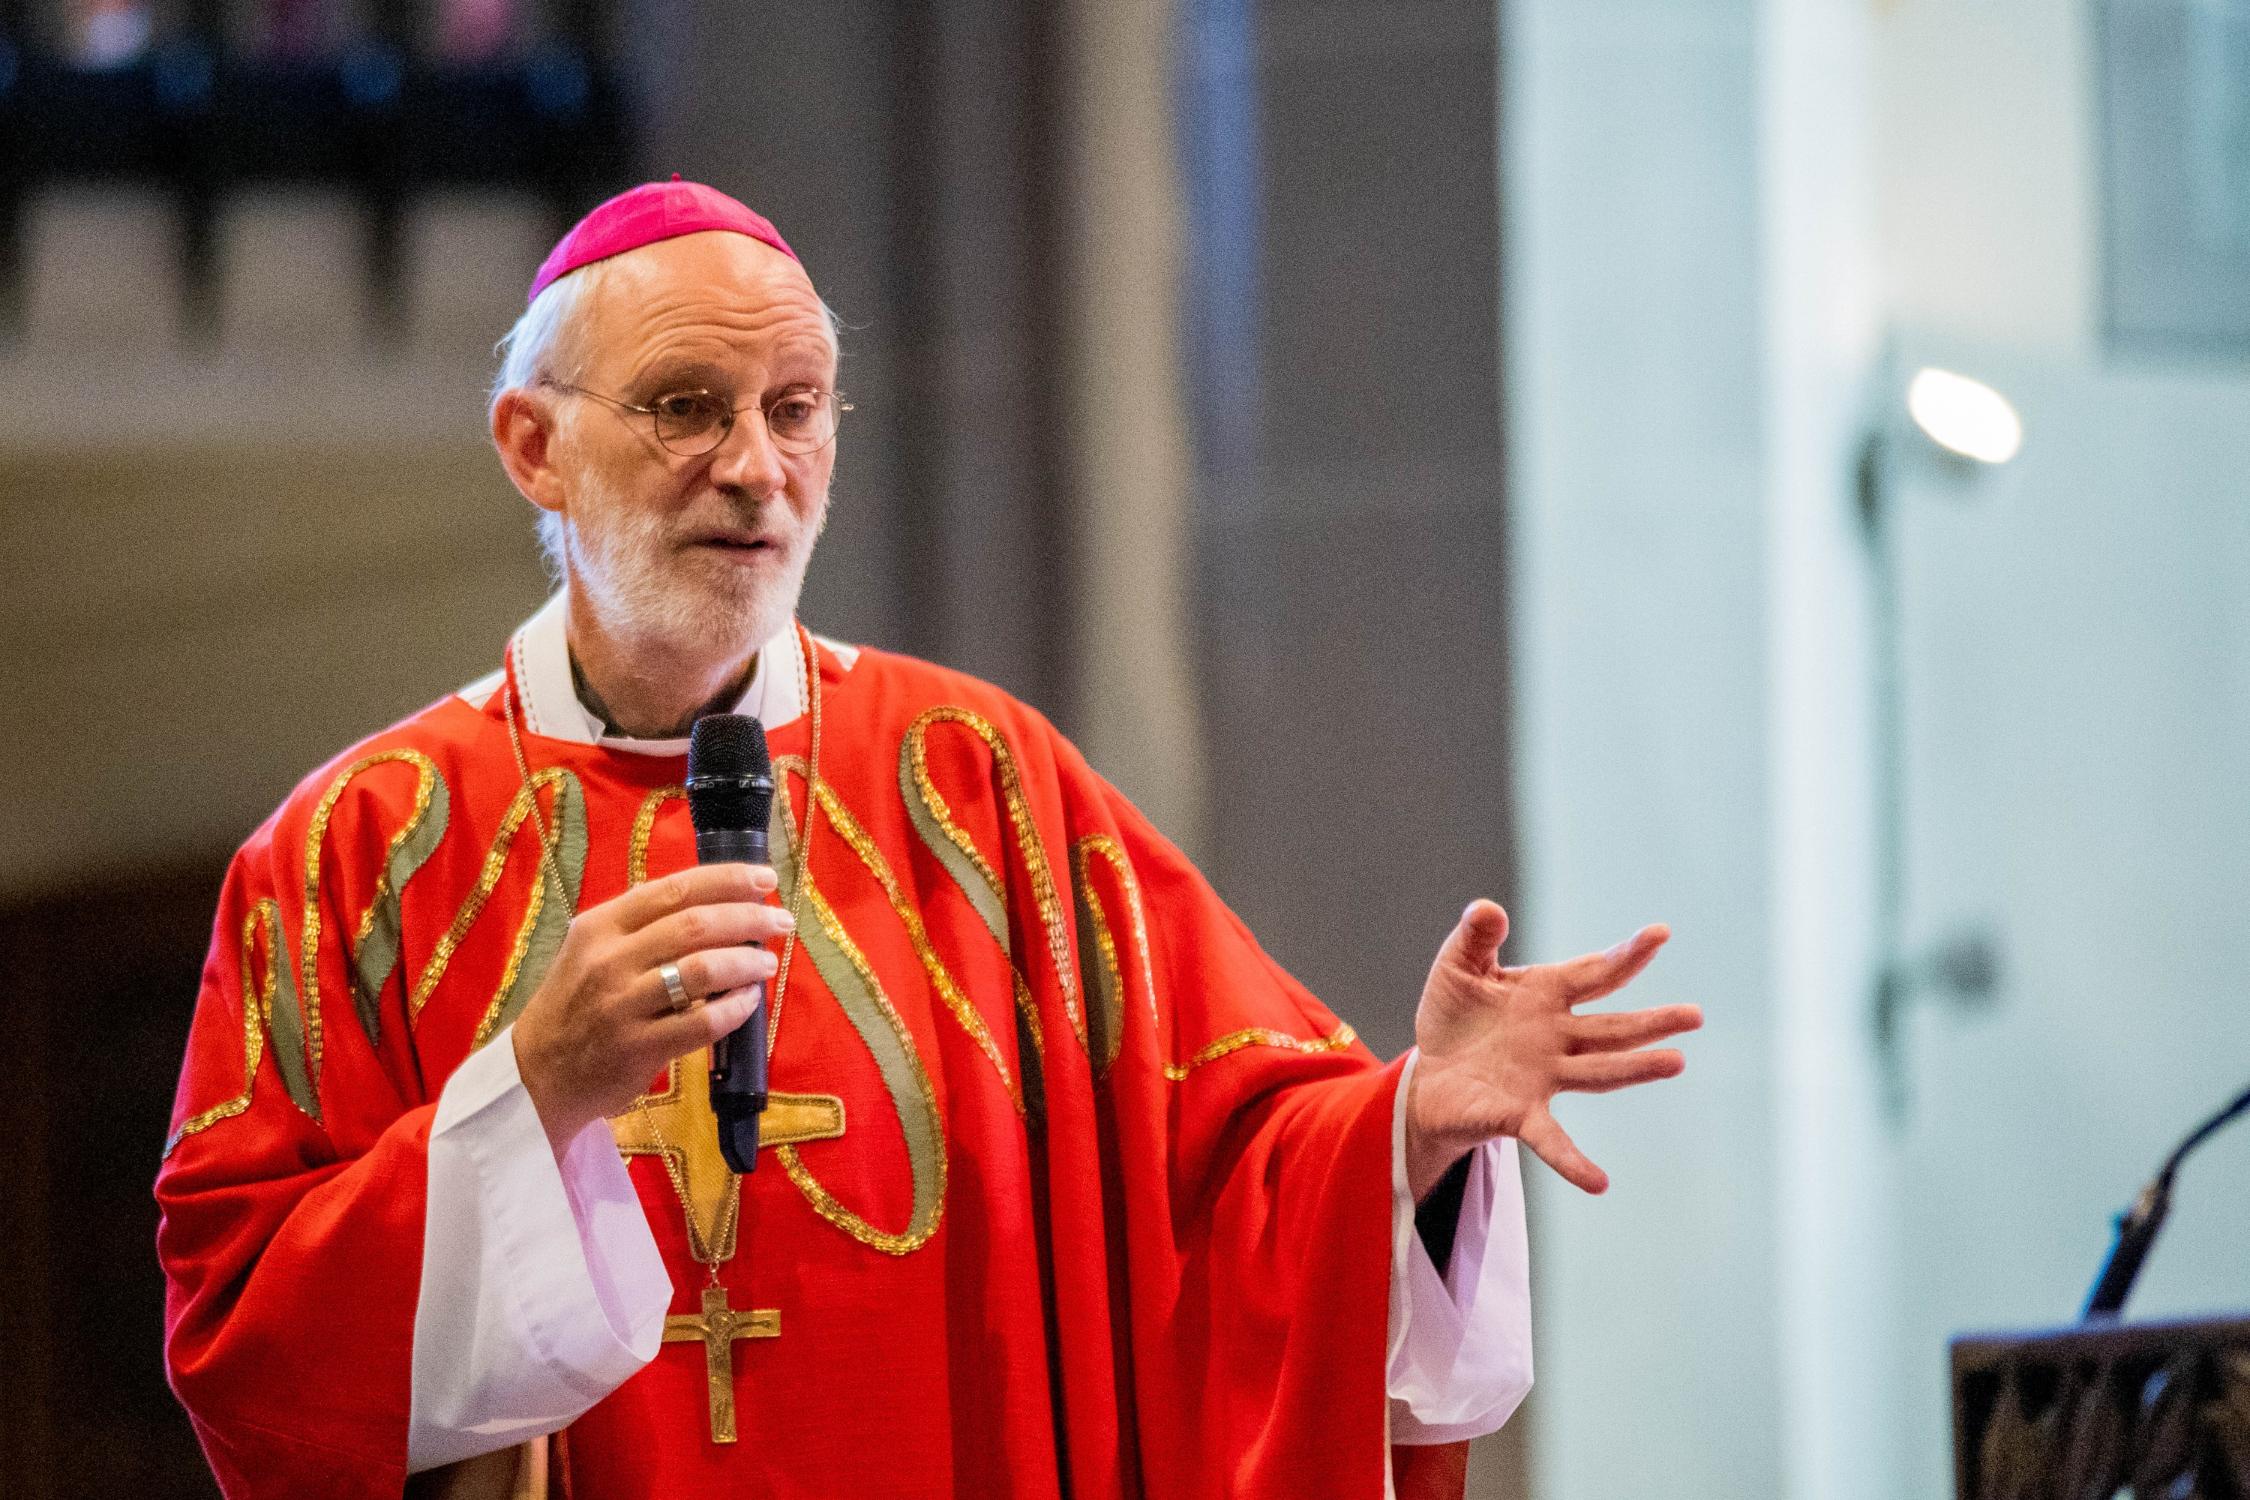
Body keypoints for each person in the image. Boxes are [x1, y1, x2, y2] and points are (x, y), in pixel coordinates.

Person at [155, 180, 1701, 1500]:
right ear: (532, 447)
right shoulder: (355, 851)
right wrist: (534, 1092)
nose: (754, 466)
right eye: (686, 405)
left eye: (795, 409)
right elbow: (246, 1340)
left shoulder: (985, 788)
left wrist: (1409, 1131)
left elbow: (1231, 1179)